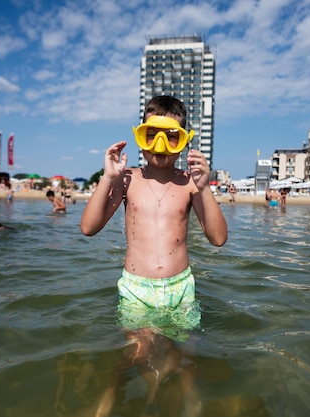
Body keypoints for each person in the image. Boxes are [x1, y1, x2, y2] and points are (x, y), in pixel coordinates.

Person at [80, 95, 227, 416]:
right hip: (137, 289)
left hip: (180, 289)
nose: (161, 145)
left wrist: (204, 187)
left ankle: (190, 399)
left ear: (185, 141)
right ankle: (109, 397)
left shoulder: (190, 183)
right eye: (152, 135)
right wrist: (108, 177)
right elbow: (89, 228)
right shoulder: (127, 179)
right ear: (140, 136)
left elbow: (217, 238)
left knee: (185, 353)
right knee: (134, 353)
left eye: (172, 137)